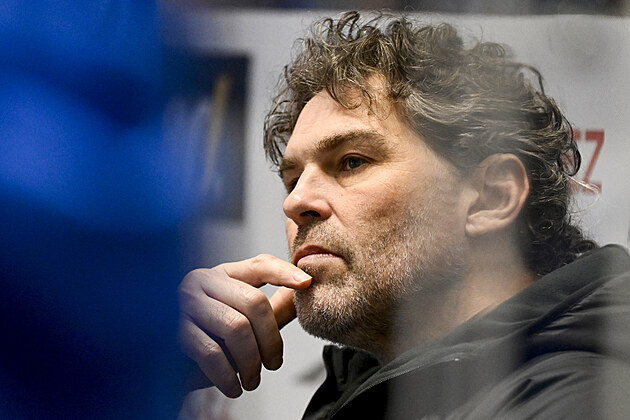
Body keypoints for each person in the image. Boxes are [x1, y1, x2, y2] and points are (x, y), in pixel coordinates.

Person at [178, 11, 630, 419]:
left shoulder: (577, 402)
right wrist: (154, 378)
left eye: (352, 162)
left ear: (492, 197)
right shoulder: (361, 392)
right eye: (292, 179)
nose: (295, 202)